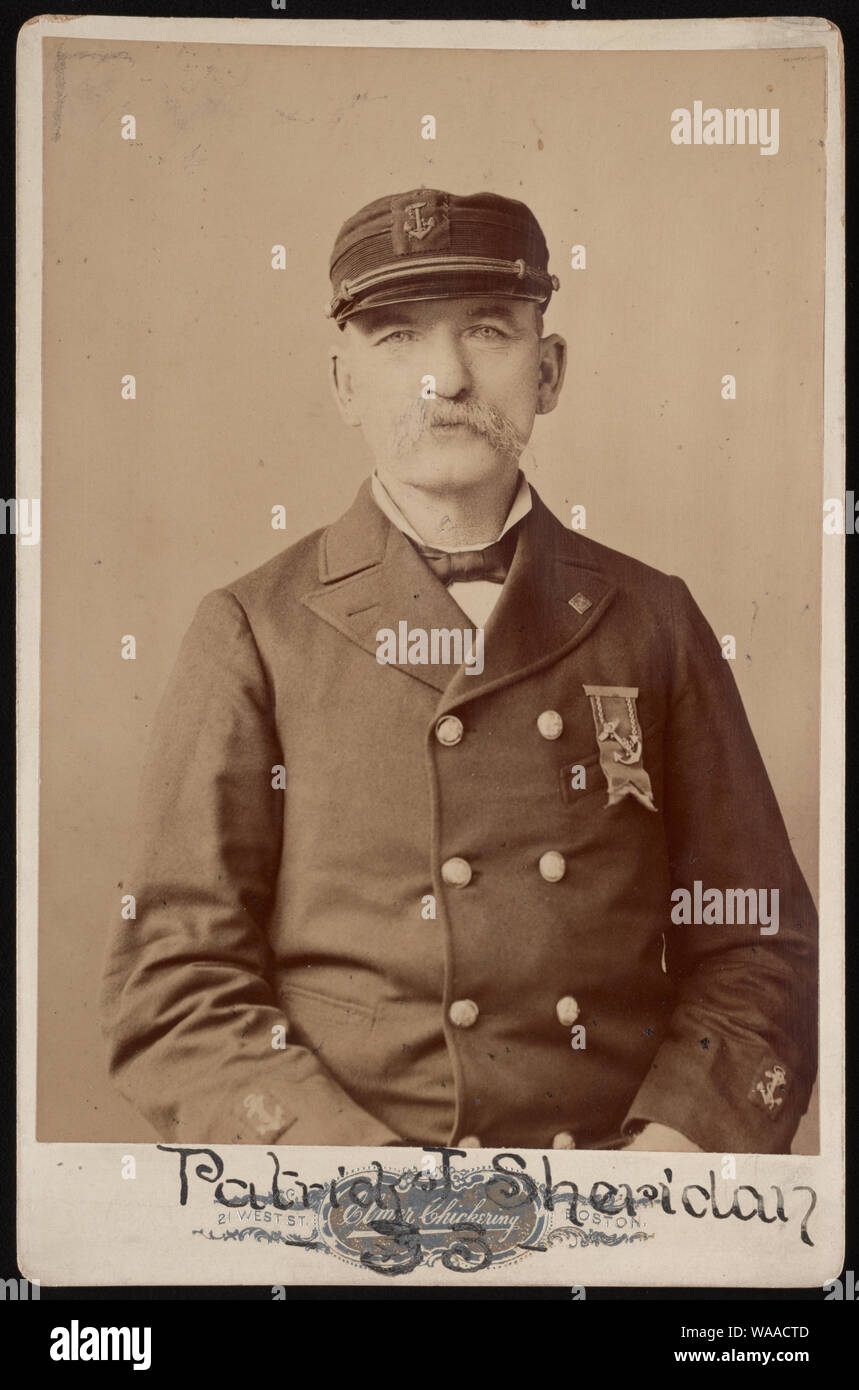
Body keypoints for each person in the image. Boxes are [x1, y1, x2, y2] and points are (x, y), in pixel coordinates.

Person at [100, 188, 817, 1154]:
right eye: (396, 339)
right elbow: (174, 983)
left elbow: (755, 940)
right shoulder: (252, 631)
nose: (444, 377)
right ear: (343, 382)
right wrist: (356, 1181)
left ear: (548, 370)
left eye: (487, 330)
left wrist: (673, 1156)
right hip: (343, 1208)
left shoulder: (653, 619)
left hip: (611, 1193)